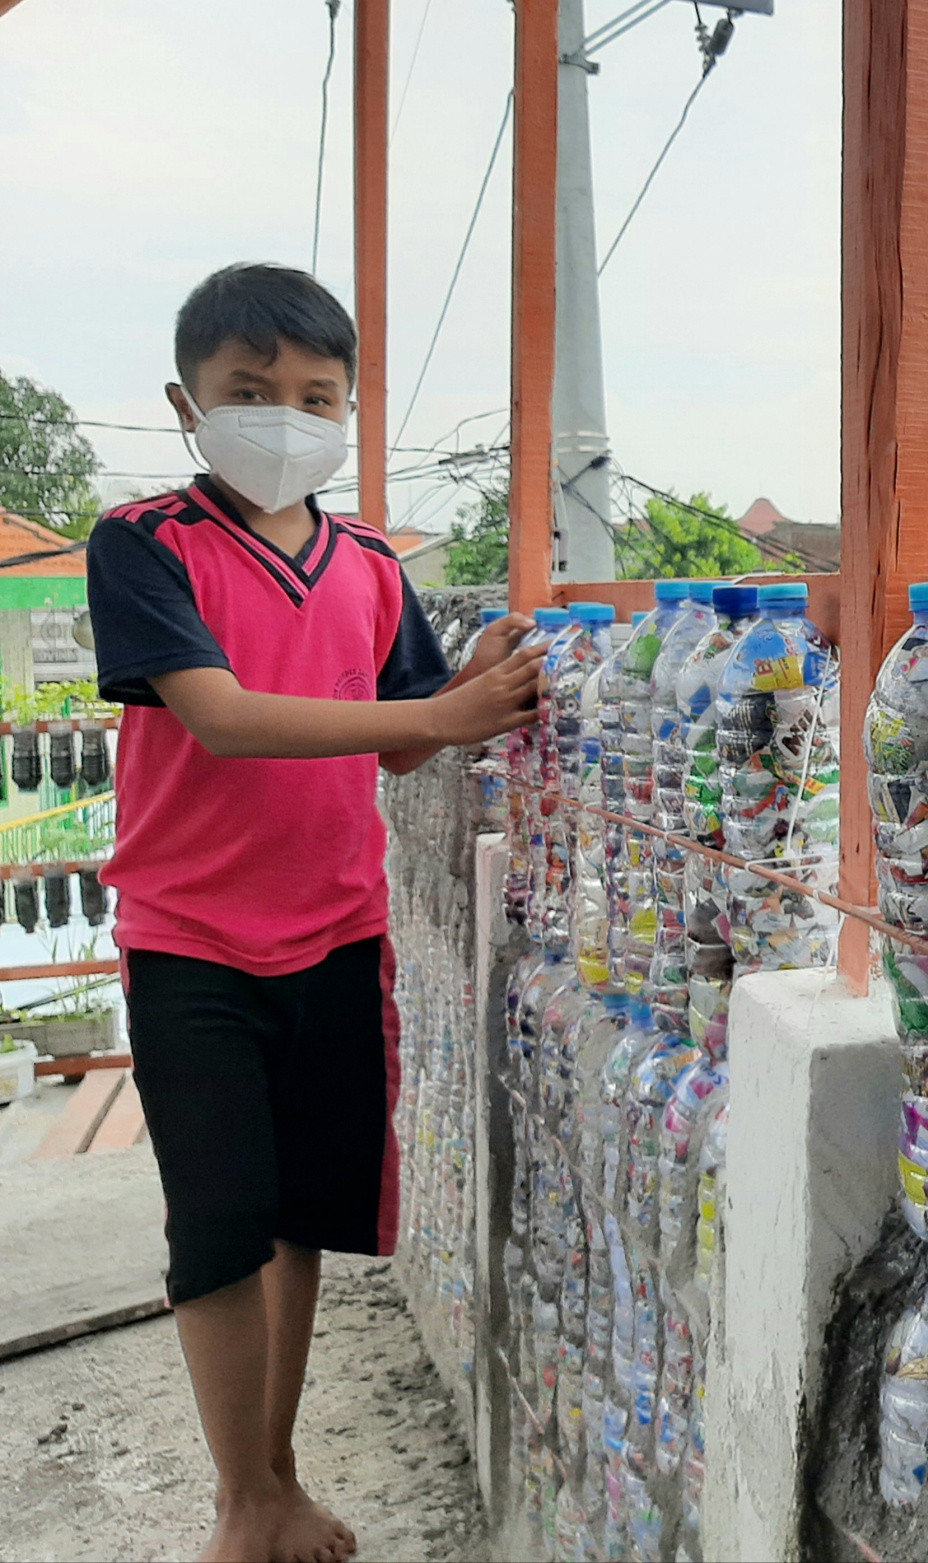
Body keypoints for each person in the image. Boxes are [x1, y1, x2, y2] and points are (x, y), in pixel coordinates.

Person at [84, 263, 540, 1563]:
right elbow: (221, 720)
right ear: (188, 404)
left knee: (296, 1216)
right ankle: (241, 1503)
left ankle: (277, 1475)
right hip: (192, 944)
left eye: (313, 395)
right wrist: (439, 715)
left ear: (349, 413)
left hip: (341, 933)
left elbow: (402, 744)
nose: (283, 417)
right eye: (248, 392)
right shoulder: (144, 544)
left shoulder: (374, 570)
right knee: (219, 1224)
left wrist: (480, 692)